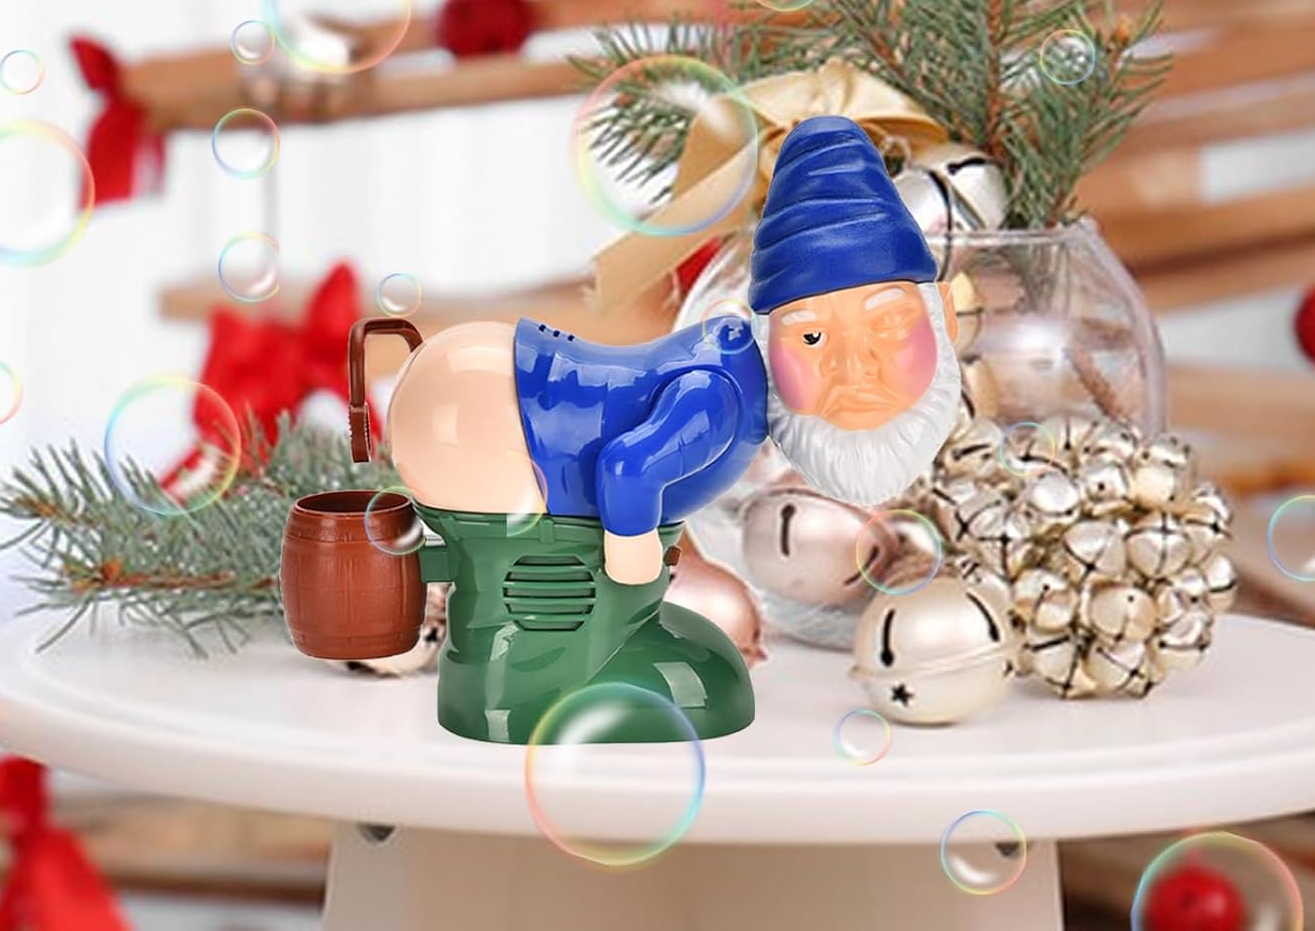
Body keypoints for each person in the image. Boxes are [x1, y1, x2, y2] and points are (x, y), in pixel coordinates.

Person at [360, 116, 963, 742]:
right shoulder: (723, 397)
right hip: (490, 409)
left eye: (887, 328)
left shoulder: (739, 382)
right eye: (811, 338)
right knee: (525, 561)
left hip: (486, 386)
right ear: (768, 335)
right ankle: (523, 680)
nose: (852, 367)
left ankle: (585, 653)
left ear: (944, 315)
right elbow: (627, 467)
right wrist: (631, 555)